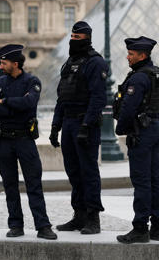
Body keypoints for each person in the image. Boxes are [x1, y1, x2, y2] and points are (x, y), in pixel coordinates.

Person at [0, 44, 56, 240]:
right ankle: (16, 225)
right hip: (5, 140)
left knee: (34, 184)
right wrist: (15, 103)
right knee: (10, 186)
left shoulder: (32, 81)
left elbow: (29, 104)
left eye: (3, 63)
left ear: (15, 64)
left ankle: (43, 226)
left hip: (25, 140)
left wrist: (5, 102)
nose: (0, 66)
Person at [49, 21, 108, 234]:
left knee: (88, 171)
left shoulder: (95, 63)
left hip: (85, 123)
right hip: (69, 123)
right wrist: (56, 126)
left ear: (87, 39)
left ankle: (93, 218)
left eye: (77, 39)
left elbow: (98, 98)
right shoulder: (69, 63)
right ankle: (79, 214)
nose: (73, 42)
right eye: (72, 38)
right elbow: (62, 97)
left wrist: (86, 125)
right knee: (73, 171)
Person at [114, 36, 159, 244]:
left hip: (140, 133)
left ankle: (140, 228)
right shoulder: (158, 74)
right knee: (155, 180)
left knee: (142, 181)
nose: (127, 57)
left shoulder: (138, 78)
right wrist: (153, 123)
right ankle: (157, 227)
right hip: (153, 128)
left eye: (131, 54)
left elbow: (127, 108)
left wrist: (123, 128)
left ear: (142, 55)